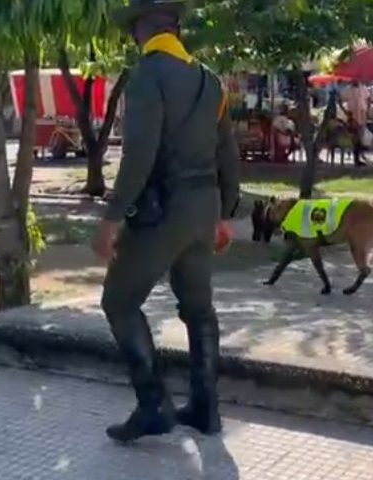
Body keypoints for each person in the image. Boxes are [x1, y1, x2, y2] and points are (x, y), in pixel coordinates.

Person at [94, 0, 240, 443]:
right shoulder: (210, 81)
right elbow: (227, 156)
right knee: (198, 308)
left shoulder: (147, 76)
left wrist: (111, 217)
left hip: (164, 211)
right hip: (203, 212)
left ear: (141, 31)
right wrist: (225, 214)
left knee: (118, 302)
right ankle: (205, 408)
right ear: (176, 29)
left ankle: (153, 405)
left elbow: (138, 156)